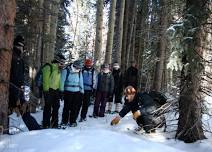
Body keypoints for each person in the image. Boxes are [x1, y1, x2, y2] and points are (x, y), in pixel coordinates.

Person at [9, 35, 41, 131]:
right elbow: (14, 76)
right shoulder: (13, 57)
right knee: (22, 111)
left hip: (18, 90)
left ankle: (35, 128)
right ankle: (35, 129)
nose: (23, 48)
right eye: (22, 46)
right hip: (13, 90)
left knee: (24, 111)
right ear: (19, 46)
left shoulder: (19, 58)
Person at [42, 54, 66, 128]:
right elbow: (45, 80)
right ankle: (46, 124)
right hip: (49, 90)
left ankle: (54, 124)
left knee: (56, 107)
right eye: (62, 62)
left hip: (56, 91)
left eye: (63, 62)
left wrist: (61, 91)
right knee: (48, 108)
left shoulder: (58, 69)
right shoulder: (48, 67)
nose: (63, 64)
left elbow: (59, 81)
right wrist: (46, 91)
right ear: (58, 60)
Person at [60, 60, 84, 127]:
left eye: (80, 67)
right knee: (67, 107)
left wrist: (82, 92)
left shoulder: (79, 72)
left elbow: (81, 82)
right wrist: (61, 91)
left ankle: (72, 121)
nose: (79, 68)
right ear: (75, 65)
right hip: (68, 92)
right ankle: (64, 121)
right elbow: (62, 81)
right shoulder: (66, 70)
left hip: (77, 92)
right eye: (78, 67)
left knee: (74, 107)